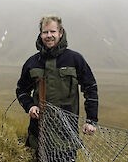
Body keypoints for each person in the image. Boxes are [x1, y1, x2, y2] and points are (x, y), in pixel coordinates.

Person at [16, 15, 98, 160]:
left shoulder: (75, 59)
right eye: (45, 32)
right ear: (40, 34)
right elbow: (21, 90)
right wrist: (30, 106)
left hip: (65, 135)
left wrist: (91, 120)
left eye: (53, 32)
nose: (49, 36)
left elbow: (90, 87)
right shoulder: (32, 62)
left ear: (60, 32)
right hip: (38, 135)